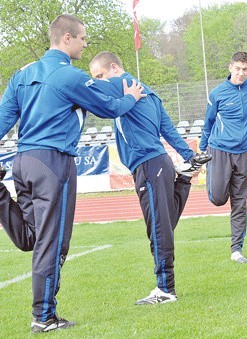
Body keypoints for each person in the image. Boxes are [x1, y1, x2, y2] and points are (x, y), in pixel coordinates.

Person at [0, 14, 146, 333]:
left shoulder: (22, 75)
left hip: (23, 162)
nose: (84, 44)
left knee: (32, 239)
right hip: (54, 164)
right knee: (53, 243)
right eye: (82, 38)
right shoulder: (71, 76)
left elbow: (2, 122)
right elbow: (109, 108)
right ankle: (44, 316)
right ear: (66, 39)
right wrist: (130, 97)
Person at [89, 52, 212, 303]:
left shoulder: (119, 83)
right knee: (163, 223)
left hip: (148, 164)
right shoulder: (149, 91)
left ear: (114, 68)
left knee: (158, 227)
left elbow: (81, 86)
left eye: (100, 75)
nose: (99, 81)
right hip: (160, 163)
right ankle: (184, 178)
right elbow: (167, 128)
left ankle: (165, 289)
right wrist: (189, 155)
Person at [200, 51, 247, 264]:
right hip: (219, 151)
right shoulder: (217, 93)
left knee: (240, 202)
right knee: (217, 199)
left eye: (245, 69)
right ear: (230, 67)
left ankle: (237, 249)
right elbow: (208, 123)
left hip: (242, 153)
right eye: (237, 69)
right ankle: (212, 180)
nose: (241, 73)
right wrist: (201, 150)